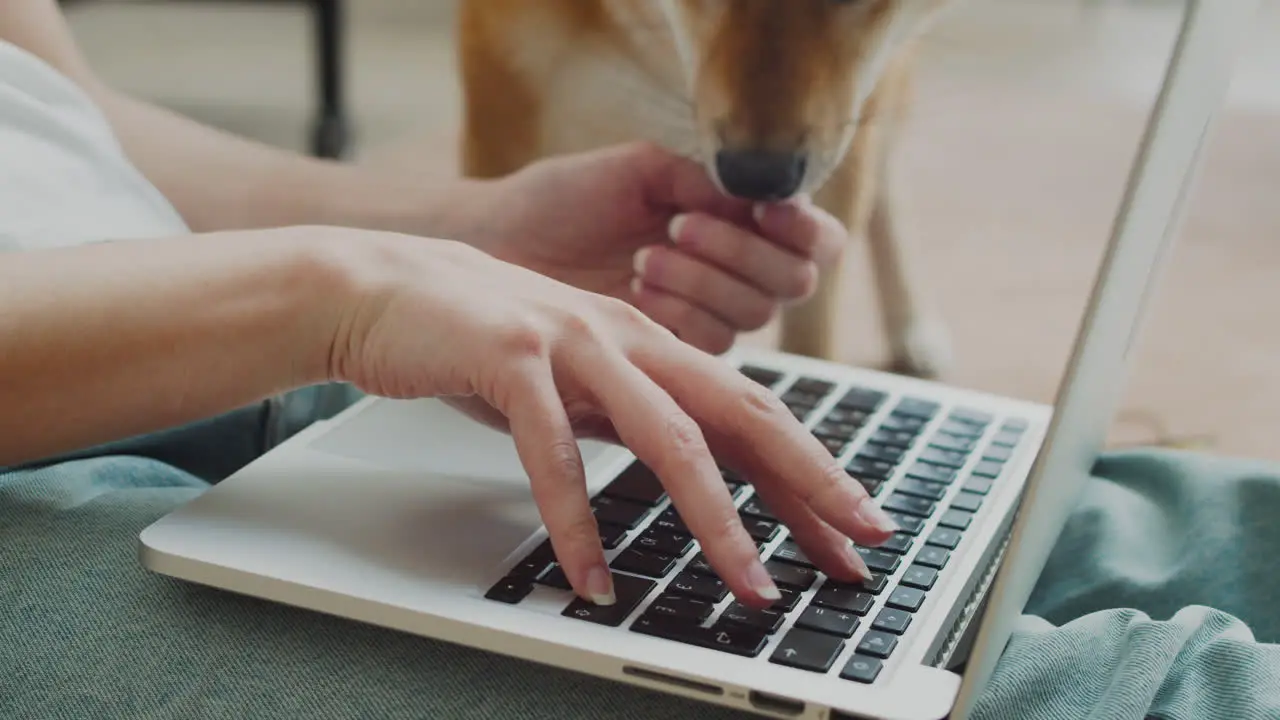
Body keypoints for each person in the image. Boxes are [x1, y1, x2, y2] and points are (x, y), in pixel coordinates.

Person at [3, 3, 1279, 720]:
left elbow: (79, 133)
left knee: (1117, 523)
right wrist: (335, 291)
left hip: (229, 344)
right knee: (1131, 700)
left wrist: (468, 236)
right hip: (41, 484)